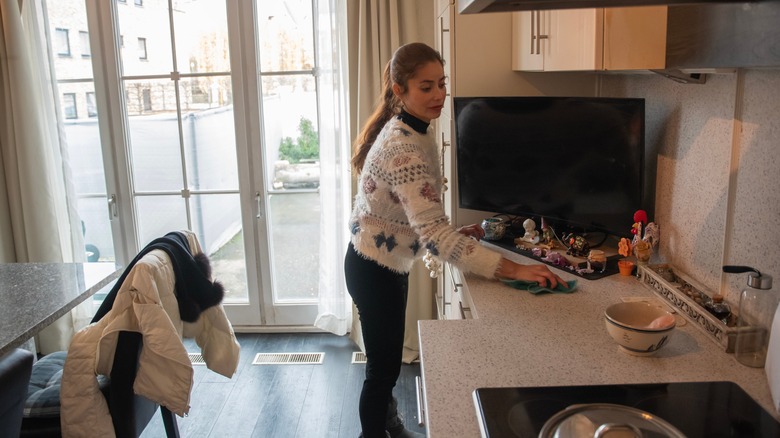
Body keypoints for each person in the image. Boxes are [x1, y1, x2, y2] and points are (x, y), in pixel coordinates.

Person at [345, 42, 563, 438]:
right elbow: (432, 233)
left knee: (387, 362)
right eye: (426, 87)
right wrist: (514, 269)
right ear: (400, 90)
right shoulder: (404, 146)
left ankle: (387, 424)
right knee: (382, 369)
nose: (439, 95)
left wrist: (449, 234)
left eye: (441, 84)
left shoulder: (413, 130)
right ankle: (375, 432)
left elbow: (415, 217)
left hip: (378, 261)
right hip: (373, 269)